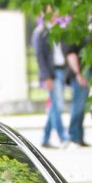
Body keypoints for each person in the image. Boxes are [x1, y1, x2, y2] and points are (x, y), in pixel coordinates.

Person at [32, 12, 67, 149]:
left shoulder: (58, 30)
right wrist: (46, 77)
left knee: (54, 106)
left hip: (61, 70)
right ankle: (63, 136)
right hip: (51, 73)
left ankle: (45, 138)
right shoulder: (41, 32)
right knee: (57, 105)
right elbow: (39, 56)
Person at [65, 35, 91, 147]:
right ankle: (74, 135)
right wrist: (78, 73)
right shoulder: (75, 34)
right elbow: (71, 54)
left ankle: (79, 137)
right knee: (78, 105)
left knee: (81, 106)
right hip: (80, 74)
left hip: (84, 73)